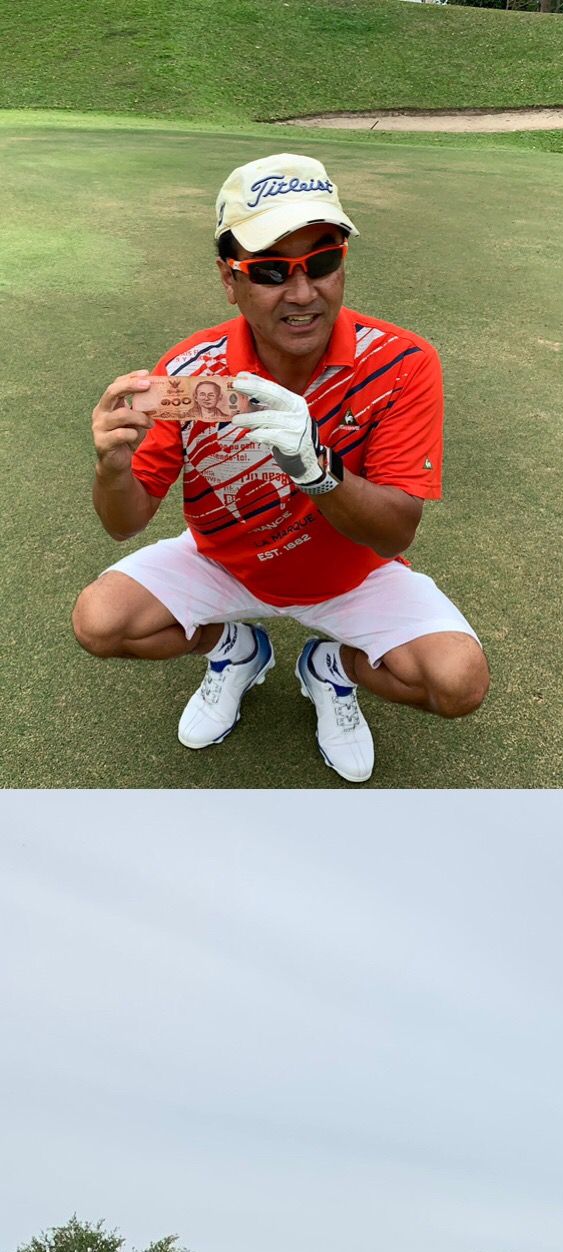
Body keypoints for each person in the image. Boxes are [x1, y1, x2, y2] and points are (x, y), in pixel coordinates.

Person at [74, 153, 488, 783]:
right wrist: (111, 468)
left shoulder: (402, 363)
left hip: (355, 576)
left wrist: (315, 467)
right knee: (99, 624)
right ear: (229, 279)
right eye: (270, 271)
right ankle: (236, 648)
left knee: (457, 684)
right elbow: (125, 522)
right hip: (223, 562)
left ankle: (331, 667)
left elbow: (396, 533)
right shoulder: (191, 372)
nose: (302, 293)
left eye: (321, 263)